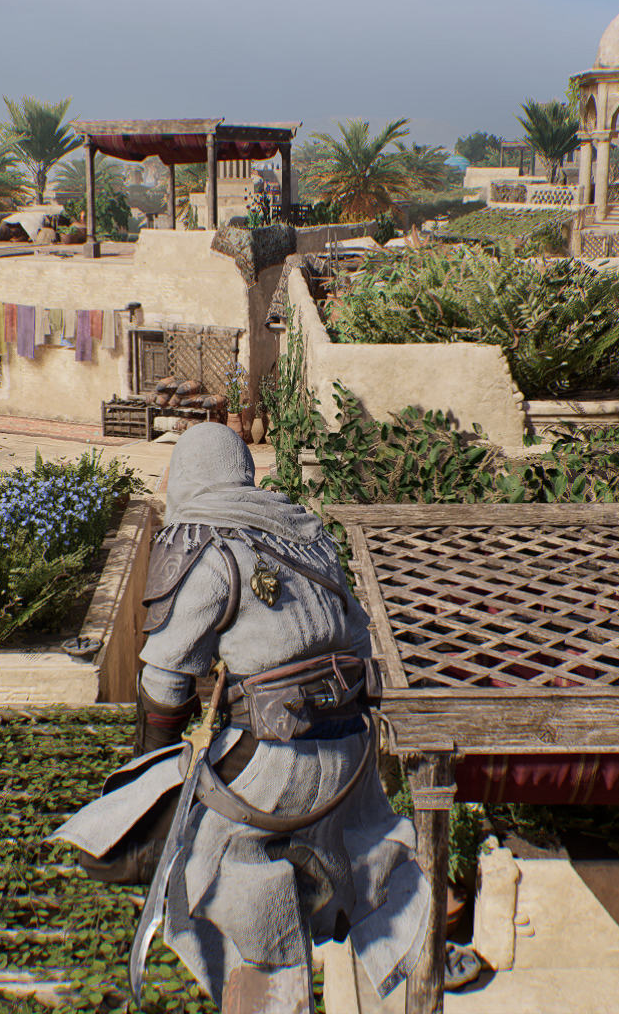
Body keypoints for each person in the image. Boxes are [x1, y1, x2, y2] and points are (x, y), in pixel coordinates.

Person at [55, 424, 428, 1013]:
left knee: (175, 855)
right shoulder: (308, 534)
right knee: (283, 866)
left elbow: (166, 682)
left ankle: (268, 993)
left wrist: (144, 771)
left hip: (273, 762)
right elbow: (357, 640)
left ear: (187, 475)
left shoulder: (199, 539)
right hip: (353, 757)